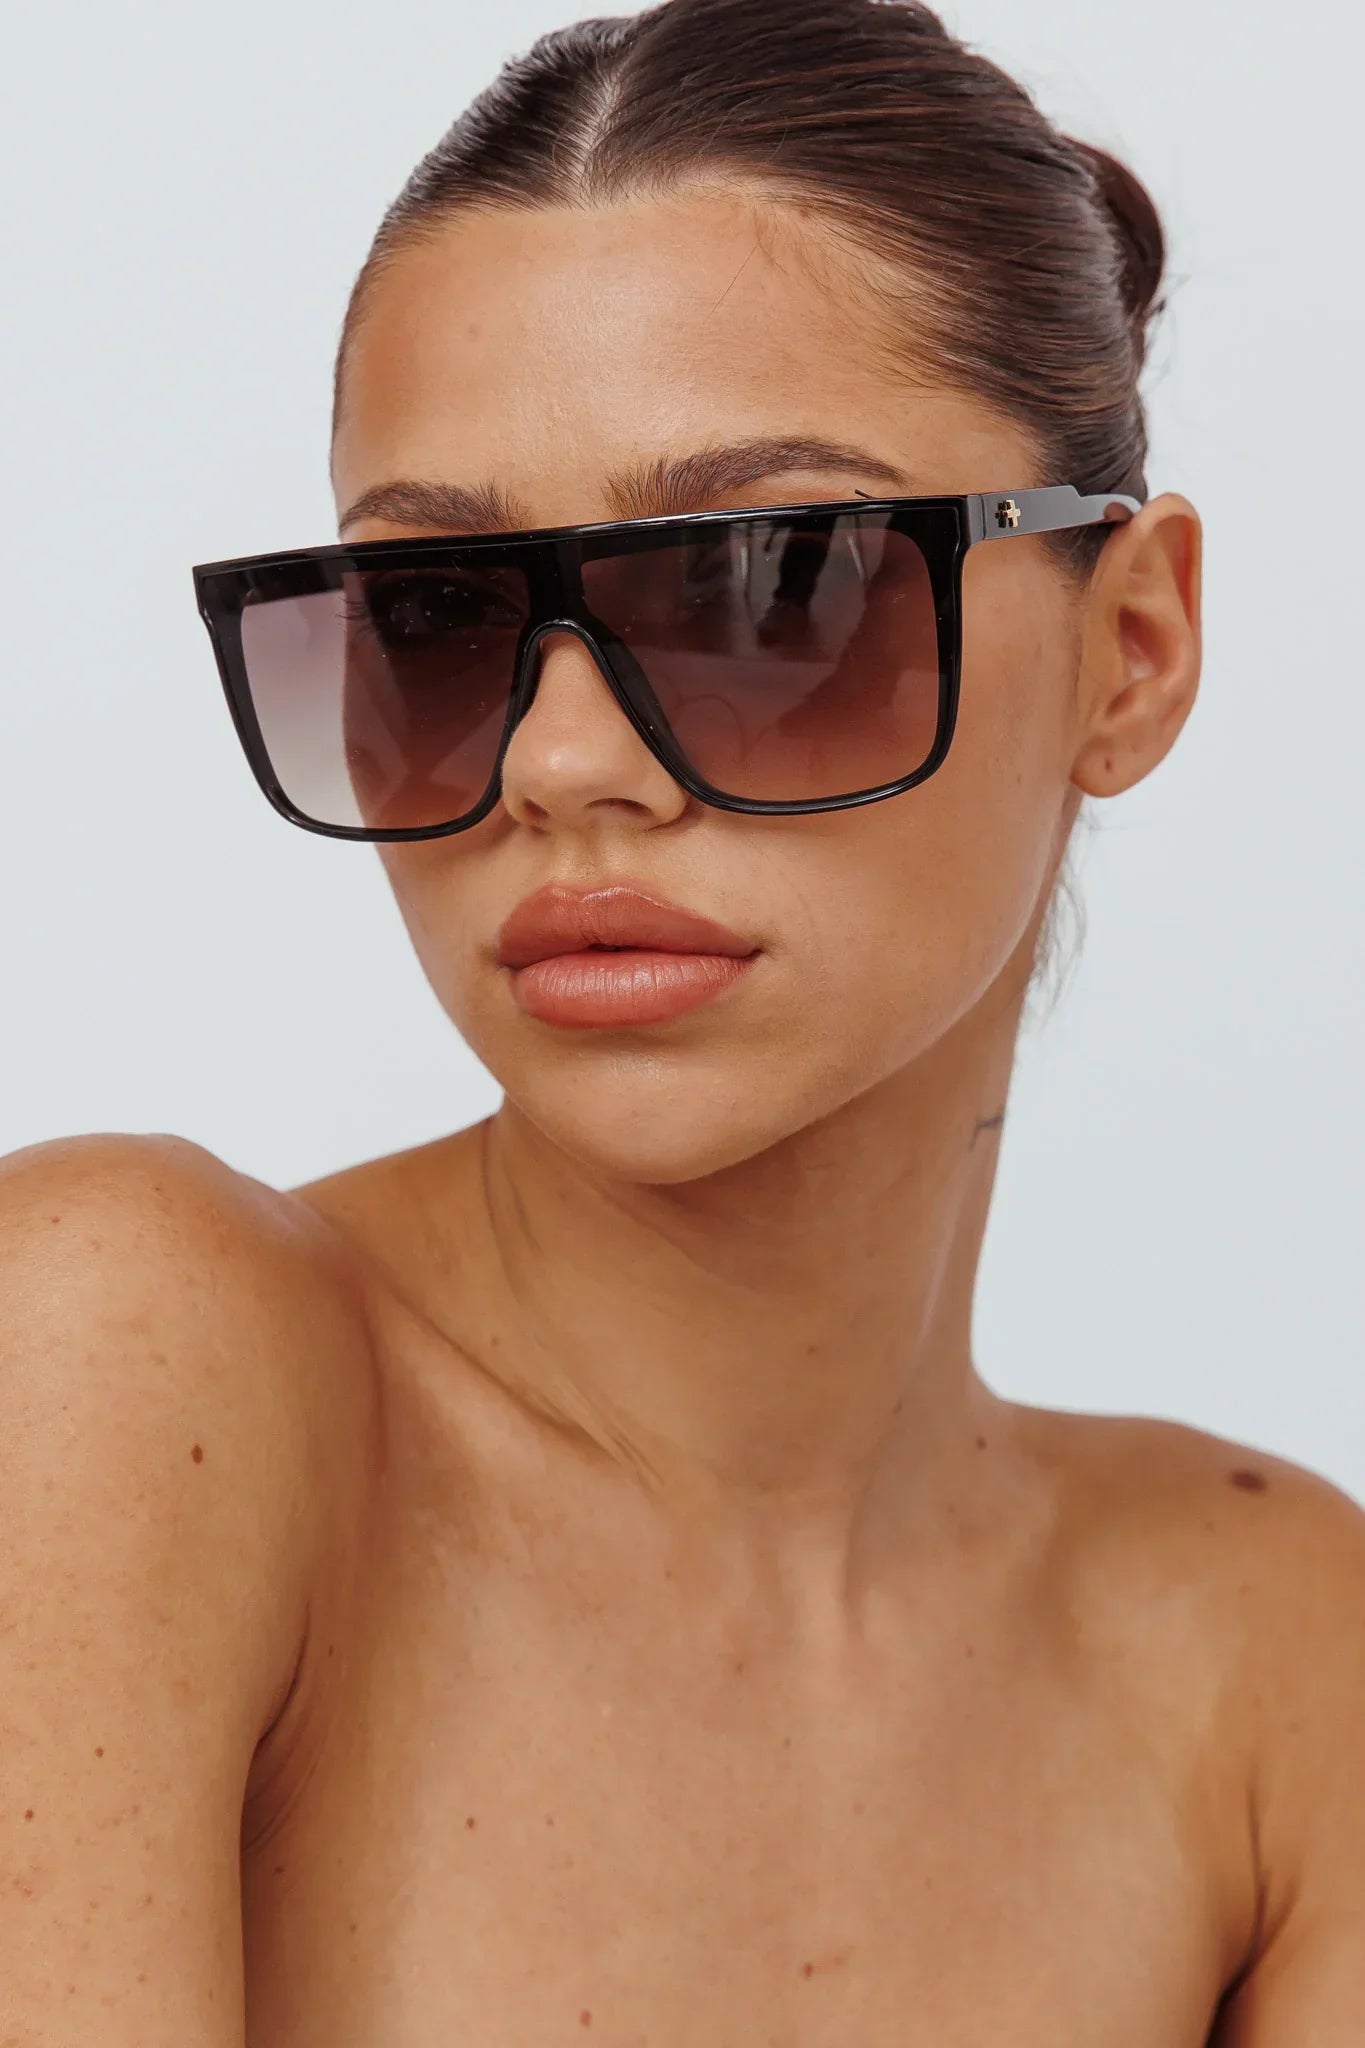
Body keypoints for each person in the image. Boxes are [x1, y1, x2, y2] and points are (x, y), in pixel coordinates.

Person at [2, 1, 1361, 2040]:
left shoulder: (1274, 1661)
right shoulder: (119, 1360)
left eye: (764, 585)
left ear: (1132, 648)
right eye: (436, 615)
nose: (559, 762)